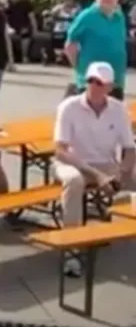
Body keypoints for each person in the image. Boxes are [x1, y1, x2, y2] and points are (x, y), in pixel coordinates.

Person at [52, 61, 136, 276]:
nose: (94, 86)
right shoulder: (68, 107)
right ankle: (72, 252)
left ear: (110, 87)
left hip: (106, 164)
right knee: (74, 182)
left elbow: (129, 148)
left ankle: (120, 227)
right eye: (91, 81)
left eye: (100, 83)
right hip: (72, 162)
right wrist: (99, 176)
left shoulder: (118, 109)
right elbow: (60, 150)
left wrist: (120, 174)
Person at [65, 0, 128, 99]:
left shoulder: (119, 16)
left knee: (114, 116)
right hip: (92, 80)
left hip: (115, 80)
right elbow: (70, 44)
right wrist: (79, 68)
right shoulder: (87, 16)